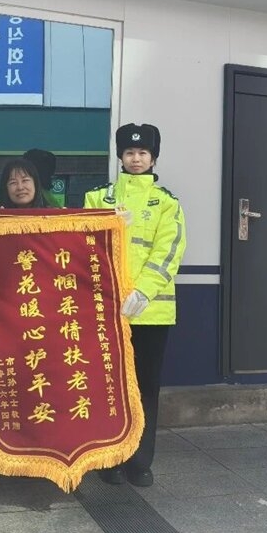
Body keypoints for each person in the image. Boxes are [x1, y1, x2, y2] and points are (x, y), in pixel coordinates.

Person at [84, 123, 186, 488]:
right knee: (108, 386)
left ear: (153, 158)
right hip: (107, 311)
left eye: (143, 153)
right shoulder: (98, 198)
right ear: (120, 157)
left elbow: (169, 251)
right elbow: (84, 248)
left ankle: (140, 462)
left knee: (144, 388)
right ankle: (109, 459)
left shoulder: (167, 202)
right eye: (130, 152)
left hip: (150, 312)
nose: (136, 158)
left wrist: (143, 292)